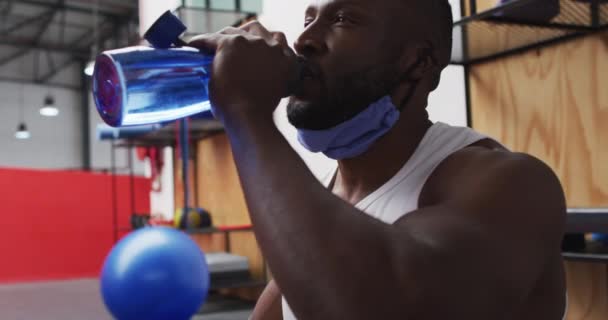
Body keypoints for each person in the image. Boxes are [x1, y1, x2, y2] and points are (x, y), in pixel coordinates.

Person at [188, 0, 567, 319]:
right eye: (308, 20)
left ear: (418, 62)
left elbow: (377, 305)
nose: (304, 40)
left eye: (343, 20)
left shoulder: (514, 182)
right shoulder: (327, 200)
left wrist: (246, 112)